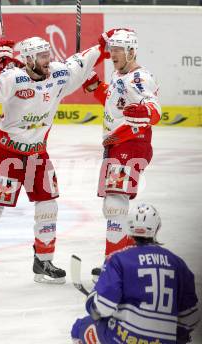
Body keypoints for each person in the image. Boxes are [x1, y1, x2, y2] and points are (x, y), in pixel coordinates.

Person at [0, 31, 116, 285]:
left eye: (48, 55)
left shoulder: (58, 73)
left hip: (38, 154)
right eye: (42, 56)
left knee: (48, 205)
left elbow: (82, 61)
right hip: (8, 155)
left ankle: (43, 260)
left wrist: (102, 45)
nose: (48, 59)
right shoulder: (13, 77)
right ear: (29, 59)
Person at [81, 29, 161, 281]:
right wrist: (94, 85)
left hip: (131, 145)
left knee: (115, 203)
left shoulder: (140, 78)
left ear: (131, 51)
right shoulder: (120, 74)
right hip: (118, 146)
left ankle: (114, 265)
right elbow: (113, 99)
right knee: (113, 205)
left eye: (118, 49)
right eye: (112, 48)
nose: (113, 53)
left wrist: (143, 113)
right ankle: (130, 256)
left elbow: (154, 110)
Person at [71, 203, 200, 344]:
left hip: (125, 338)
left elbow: (103, 307)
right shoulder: (178, 264)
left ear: (129, 227)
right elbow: (191, 317)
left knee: (80, 327)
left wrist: (92, 302)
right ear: (157, 228)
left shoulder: (118, 259)